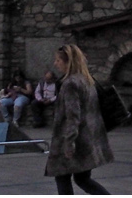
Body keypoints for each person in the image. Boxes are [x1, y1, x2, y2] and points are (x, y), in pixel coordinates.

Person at [46, 45, 113, 194]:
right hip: (88, 139)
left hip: (74, 140)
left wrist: (69, 143)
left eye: (58, 60)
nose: (55, 64)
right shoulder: (87, 80)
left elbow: (73, 116)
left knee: (62, 177)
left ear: (68, 62)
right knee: (82, 179)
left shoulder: (70, 84)